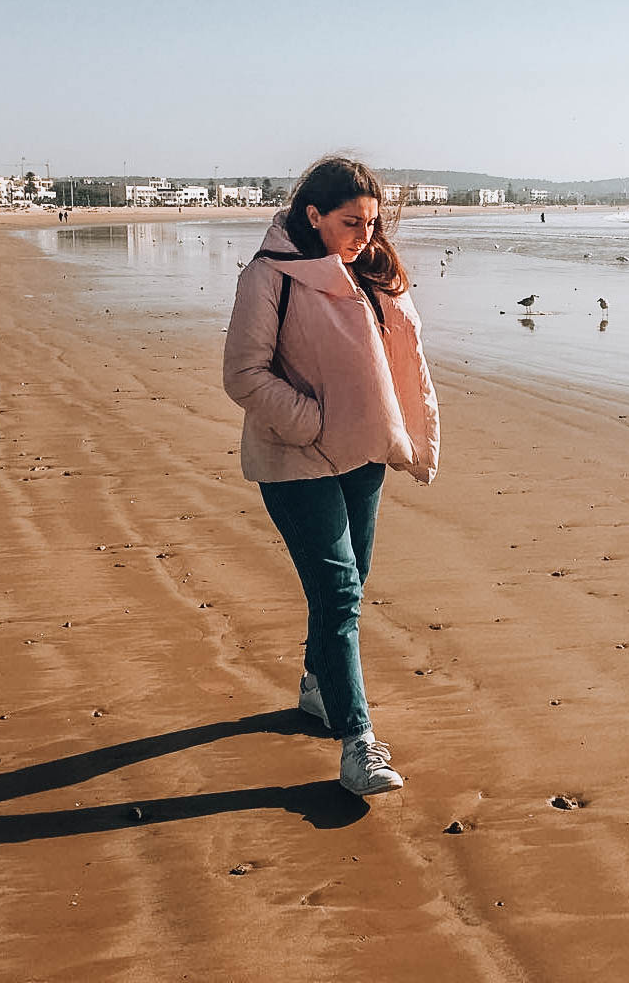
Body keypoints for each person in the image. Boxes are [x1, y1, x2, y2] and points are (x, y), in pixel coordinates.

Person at [223, 156, 439, 797]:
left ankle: (319, 687)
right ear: (312, 215)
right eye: (351, 222)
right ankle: (358, 744)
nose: (364, 236)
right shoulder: (269, 277)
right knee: (341, 592)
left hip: (363, 455)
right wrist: (310, 421)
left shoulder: (373, 274)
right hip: (295, 459)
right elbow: (243, 374)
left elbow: (403, 365)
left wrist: (404, 433)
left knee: (347, 587)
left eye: (372, 224)